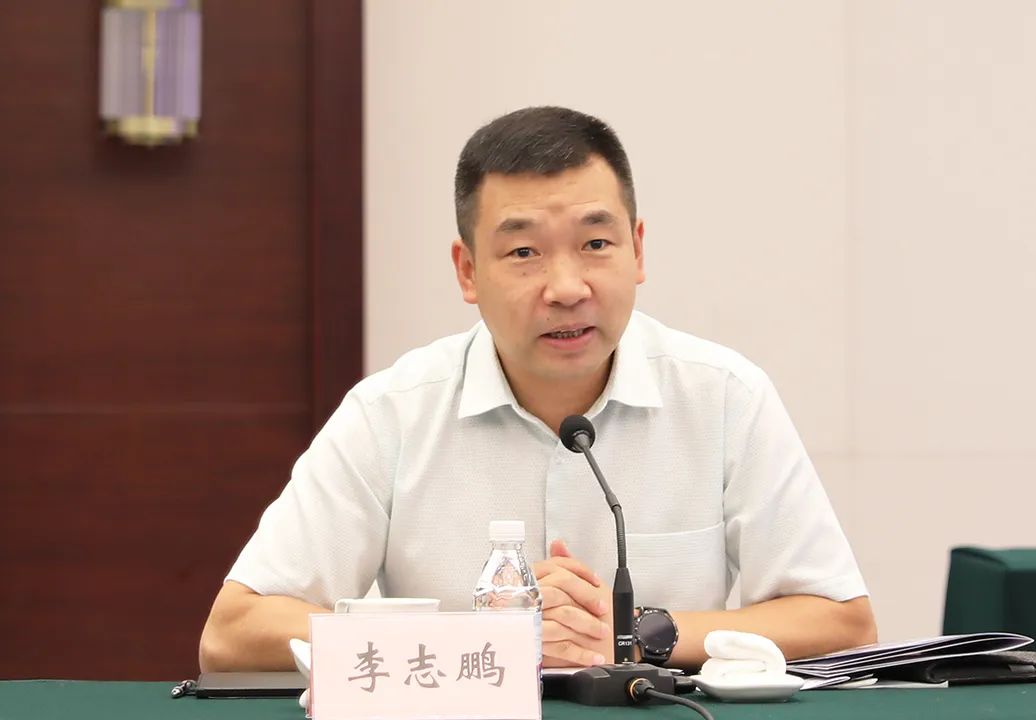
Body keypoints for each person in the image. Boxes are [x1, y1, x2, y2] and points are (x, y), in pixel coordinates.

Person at [199, 106, 877, 673]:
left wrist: (630, 634)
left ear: (638, 250)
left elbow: (842, 621)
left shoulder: (724, 397)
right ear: (468, 271)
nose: (567, 287)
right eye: (524, 252)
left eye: (596, 244)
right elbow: (233, 632)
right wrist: (483, 642)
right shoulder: (392, 414)